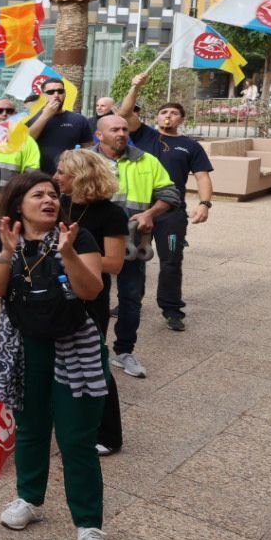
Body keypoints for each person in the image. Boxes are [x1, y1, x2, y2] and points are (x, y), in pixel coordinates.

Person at [0, 171, 110, 540]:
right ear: (19, 204)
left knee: (76, 439)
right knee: (31, 428)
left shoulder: (78, 237)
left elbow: (92, 290)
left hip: (75, 347)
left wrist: (68, 254)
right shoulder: (2, 239)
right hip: (25, 347)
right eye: (38, 195)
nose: (49, 200)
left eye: (53, 194)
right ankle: (30, 498)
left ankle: (88, 525)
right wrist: (6, 252)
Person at [118, 77, 215, 333]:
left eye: (174, 113)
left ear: (181, 119)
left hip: (171, 212)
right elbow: (124, 113)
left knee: (171, 261)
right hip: (137, 209)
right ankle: (128, 301)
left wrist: (204, 203)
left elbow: (203, 176)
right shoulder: (143, 135)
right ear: (157, 117)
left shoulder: (190, 146)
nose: (168, 116)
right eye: (164, 112)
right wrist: (135, 86)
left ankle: (171, 309)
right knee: (132, 259)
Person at [92, 113, 180, 379]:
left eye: (124, 129)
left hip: (133, 245)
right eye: (114, 130)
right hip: (94, 243)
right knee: (93, 298)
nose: (121, 133)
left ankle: (124, 352)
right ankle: (94, 352)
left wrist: (150, 213)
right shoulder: (86, 160)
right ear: (100, 135)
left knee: (131, 300)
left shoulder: (147, 160)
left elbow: (170, 194)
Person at [52, 149, 128, 456]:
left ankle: (109, 434)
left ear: (79, 177)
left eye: (61, 172)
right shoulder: (60, 204)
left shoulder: (112, 214)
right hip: (58, 293)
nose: (55, 177)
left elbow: (115, 263)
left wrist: (73, 257)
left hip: (91, 296)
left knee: (94, 361)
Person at [27, 81, 93, 174]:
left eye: (60, 91)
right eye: (51, 92)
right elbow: (27, 141)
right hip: (38, 174)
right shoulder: (30, 117)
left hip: (70, 174)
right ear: (43, 95)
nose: (56, 95)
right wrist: (45, 116)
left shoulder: (79, 119)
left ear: (65, 94)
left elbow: (89, 147)